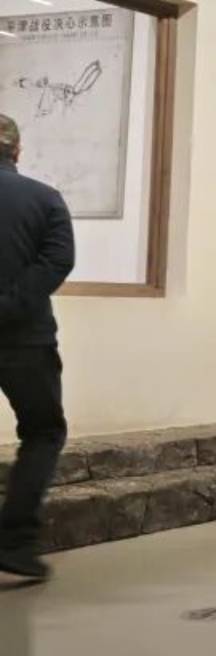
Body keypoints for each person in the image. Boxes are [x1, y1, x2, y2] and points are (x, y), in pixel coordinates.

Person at [0, 114, 74, 582]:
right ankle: (14, 544)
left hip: (25, 336)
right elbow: (58, 260)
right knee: (43, 433)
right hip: (26, 340)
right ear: (17, 152)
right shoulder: (45, 198)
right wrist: (9, 306)